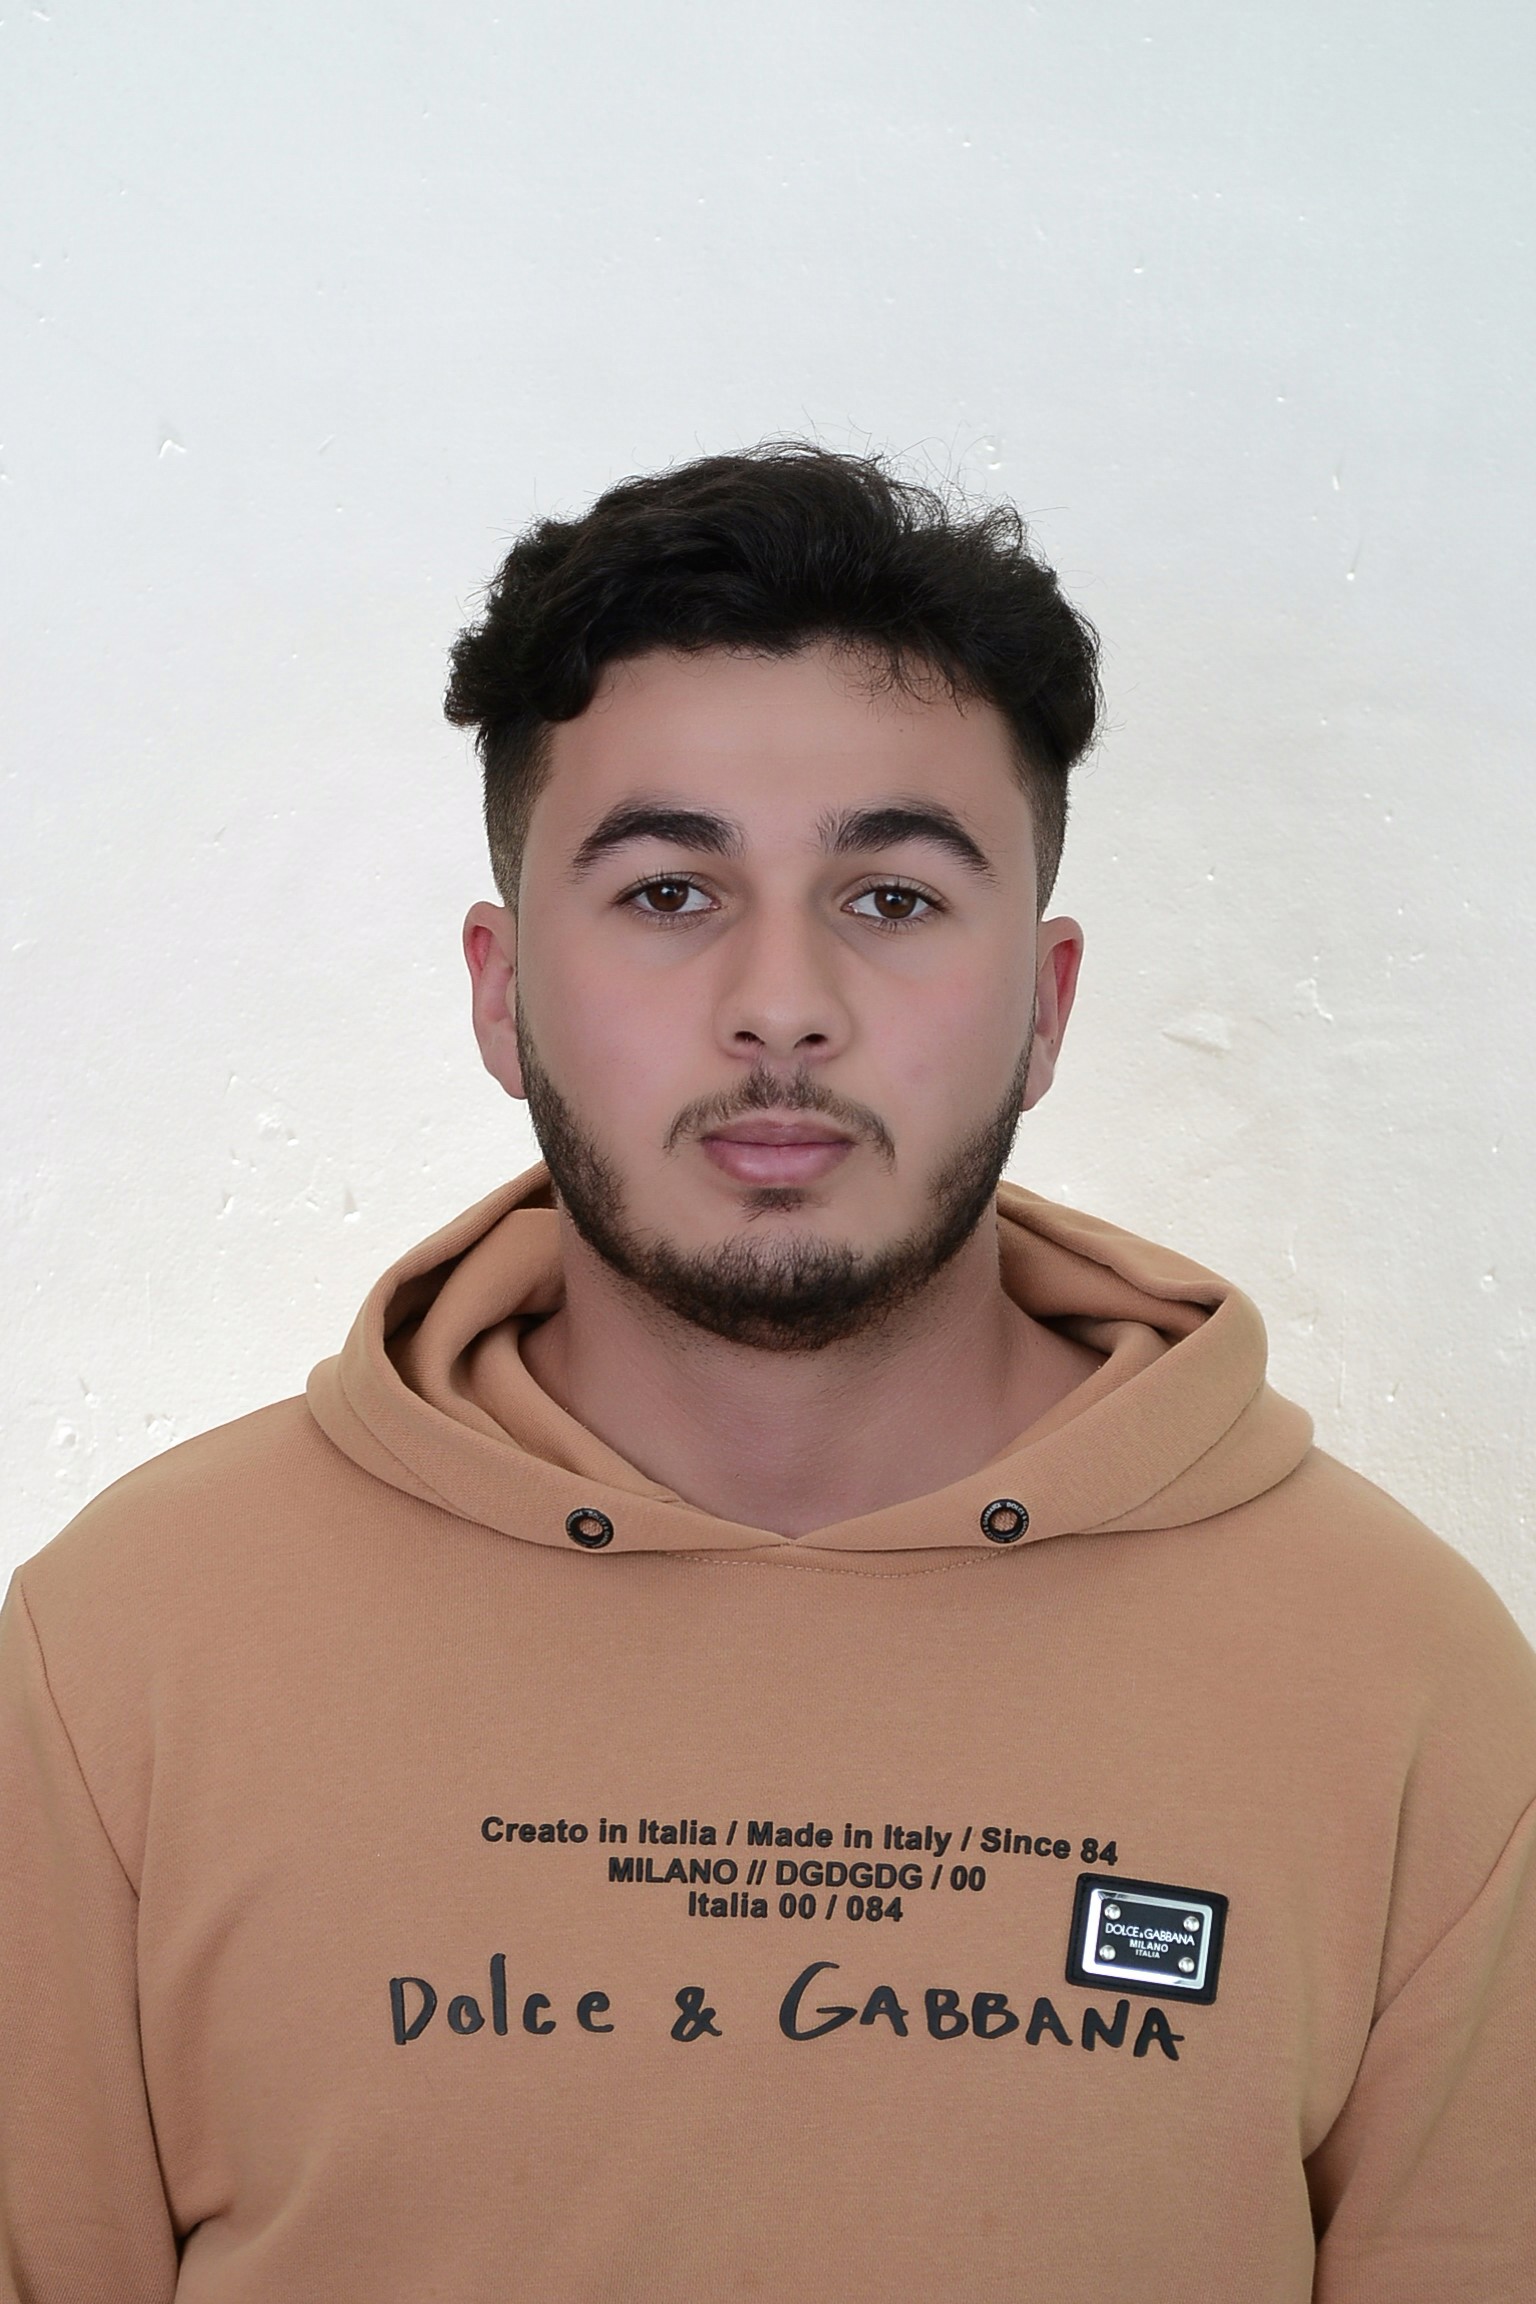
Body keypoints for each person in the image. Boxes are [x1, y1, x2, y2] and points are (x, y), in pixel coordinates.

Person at [2, 443, 1532, 2304]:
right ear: (500, 990)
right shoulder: (124, 1654)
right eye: (668, 892)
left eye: (893, 897)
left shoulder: (1406, 1681)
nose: (783, 1004)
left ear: (1046, 1006)